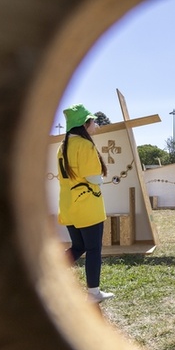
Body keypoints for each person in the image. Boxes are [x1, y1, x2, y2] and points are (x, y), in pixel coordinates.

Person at [57, 103, 114, 303]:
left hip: (69, 206)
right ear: (85, 123)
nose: (96, 124)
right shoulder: (85, 145)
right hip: (87, 206)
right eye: (93, 121)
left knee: (78, 246)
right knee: (93, 249)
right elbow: (93, 177)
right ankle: (93, 293)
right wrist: (103, 179)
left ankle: (48, 275)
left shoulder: (62, 147)